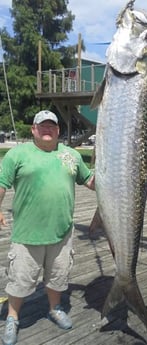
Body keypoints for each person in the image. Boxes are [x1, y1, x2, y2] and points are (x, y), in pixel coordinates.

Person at [0, 110, 95, 345]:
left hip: (62, 233)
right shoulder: (17, 154)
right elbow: (1, 183)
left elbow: (90, 181)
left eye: (51, 125)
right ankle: (13, 317)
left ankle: (55, 308)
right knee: (20, 280)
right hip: (27, 234)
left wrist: (121, 180)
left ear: (58, 130)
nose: (47, 129)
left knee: (58, 277)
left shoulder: (71, 155)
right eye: (42, 125)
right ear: (33, 129)